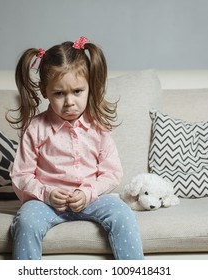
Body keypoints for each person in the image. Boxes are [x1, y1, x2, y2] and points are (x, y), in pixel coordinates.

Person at [8, 36, 144, 260]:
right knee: (26, 221)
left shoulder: (98, 126)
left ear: (90, 86)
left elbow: (112, 172)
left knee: (123, 214)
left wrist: (88, 192)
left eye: (77, 91)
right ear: (44, 91)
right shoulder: (36, 128)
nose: (69, 101)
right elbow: (20, 174)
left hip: (92, 198)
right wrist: (47, 193)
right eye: (59, 93)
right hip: (47, 203)